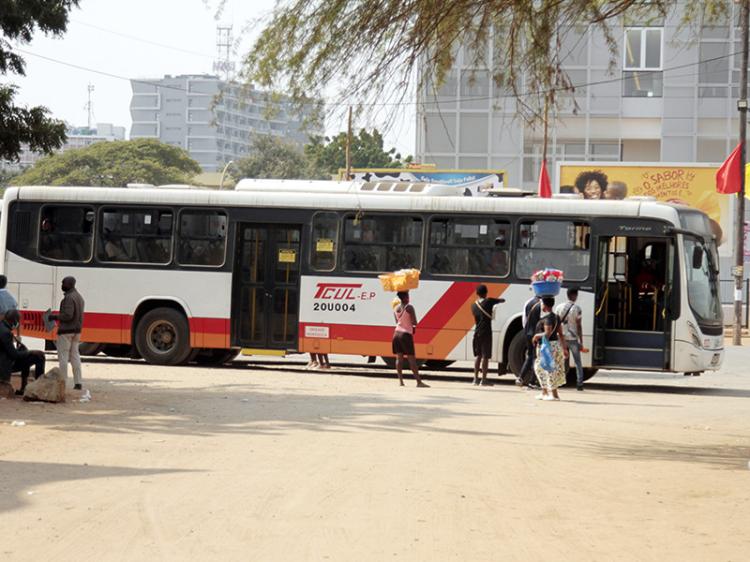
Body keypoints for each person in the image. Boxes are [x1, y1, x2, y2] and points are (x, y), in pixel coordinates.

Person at [49, 276, 85, 390]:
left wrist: (54, 317)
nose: (62, 285)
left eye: (63, 283)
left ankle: (62, 382)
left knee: (63, 357)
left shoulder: (69, 298)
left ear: (69, 284)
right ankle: (78, 382)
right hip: (77, 331)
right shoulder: (79, 297)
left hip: (66, 331)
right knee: (75, 356)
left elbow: (68, 315)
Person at [0, 309, 45, 396]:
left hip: (4, 360)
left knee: (24, 352)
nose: (18, 324)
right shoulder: (6, 332)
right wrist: (31, 352)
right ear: (14, 320)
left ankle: (24, 388)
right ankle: (39, 388)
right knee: (39, 357)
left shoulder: (2, 327)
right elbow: (14, 355)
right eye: (18, 321)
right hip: (4, 365)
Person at [532, 297, 569, 400]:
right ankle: (544, 392)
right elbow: (561, 334)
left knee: (547, 369)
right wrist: (564, 348)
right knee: (542, 368)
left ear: (545, 305)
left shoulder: (548, 319)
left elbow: (547, 333)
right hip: (555, 346)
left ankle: (554, 395)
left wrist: (536, 336)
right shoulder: (556, 317)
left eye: (542, 303)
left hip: (547, 347)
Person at [392, 291, 428, 388]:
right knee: (411, 359)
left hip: (396, 334)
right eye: (408, 296)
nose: (409, 297)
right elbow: (414, 322)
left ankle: (401, 381)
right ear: (405, 297)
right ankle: (418, 382)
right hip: (405, 335)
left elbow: (396, 321)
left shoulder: (395, 308)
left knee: (399, 358)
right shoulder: (409, 307)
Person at [471, 284, 505, 386]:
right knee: (485, 356)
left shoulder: (473, 305)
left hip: (476, 332)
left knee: (478, 355)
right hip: (486, 332)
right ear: (486, 293)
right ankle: (484, 380)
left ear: (477, 294)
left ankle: (475, 379)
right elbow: (501, 300)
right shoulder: (489, 301)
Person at [555, 289, 587, 391]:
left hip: (561, 338)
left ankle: (558, 381)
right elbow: (579, 325)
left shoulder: (559, 307)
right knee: (577, 361)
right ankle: (579, 383)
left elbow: (556, 323)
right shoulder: (577, 309)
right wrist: (581, 341)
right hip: (572, 338)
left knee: (561, 360)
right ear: (575, 296)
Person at [519, 294, 541, 387]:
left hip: (527, 332)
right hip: (535, 334)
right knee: (535, 357)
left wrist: (527, 330)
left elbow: (524, 320)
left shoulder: (528, 302)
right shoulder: (541, 304)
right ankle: (532, 381)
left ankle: (520, 378)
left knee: (530, 356)